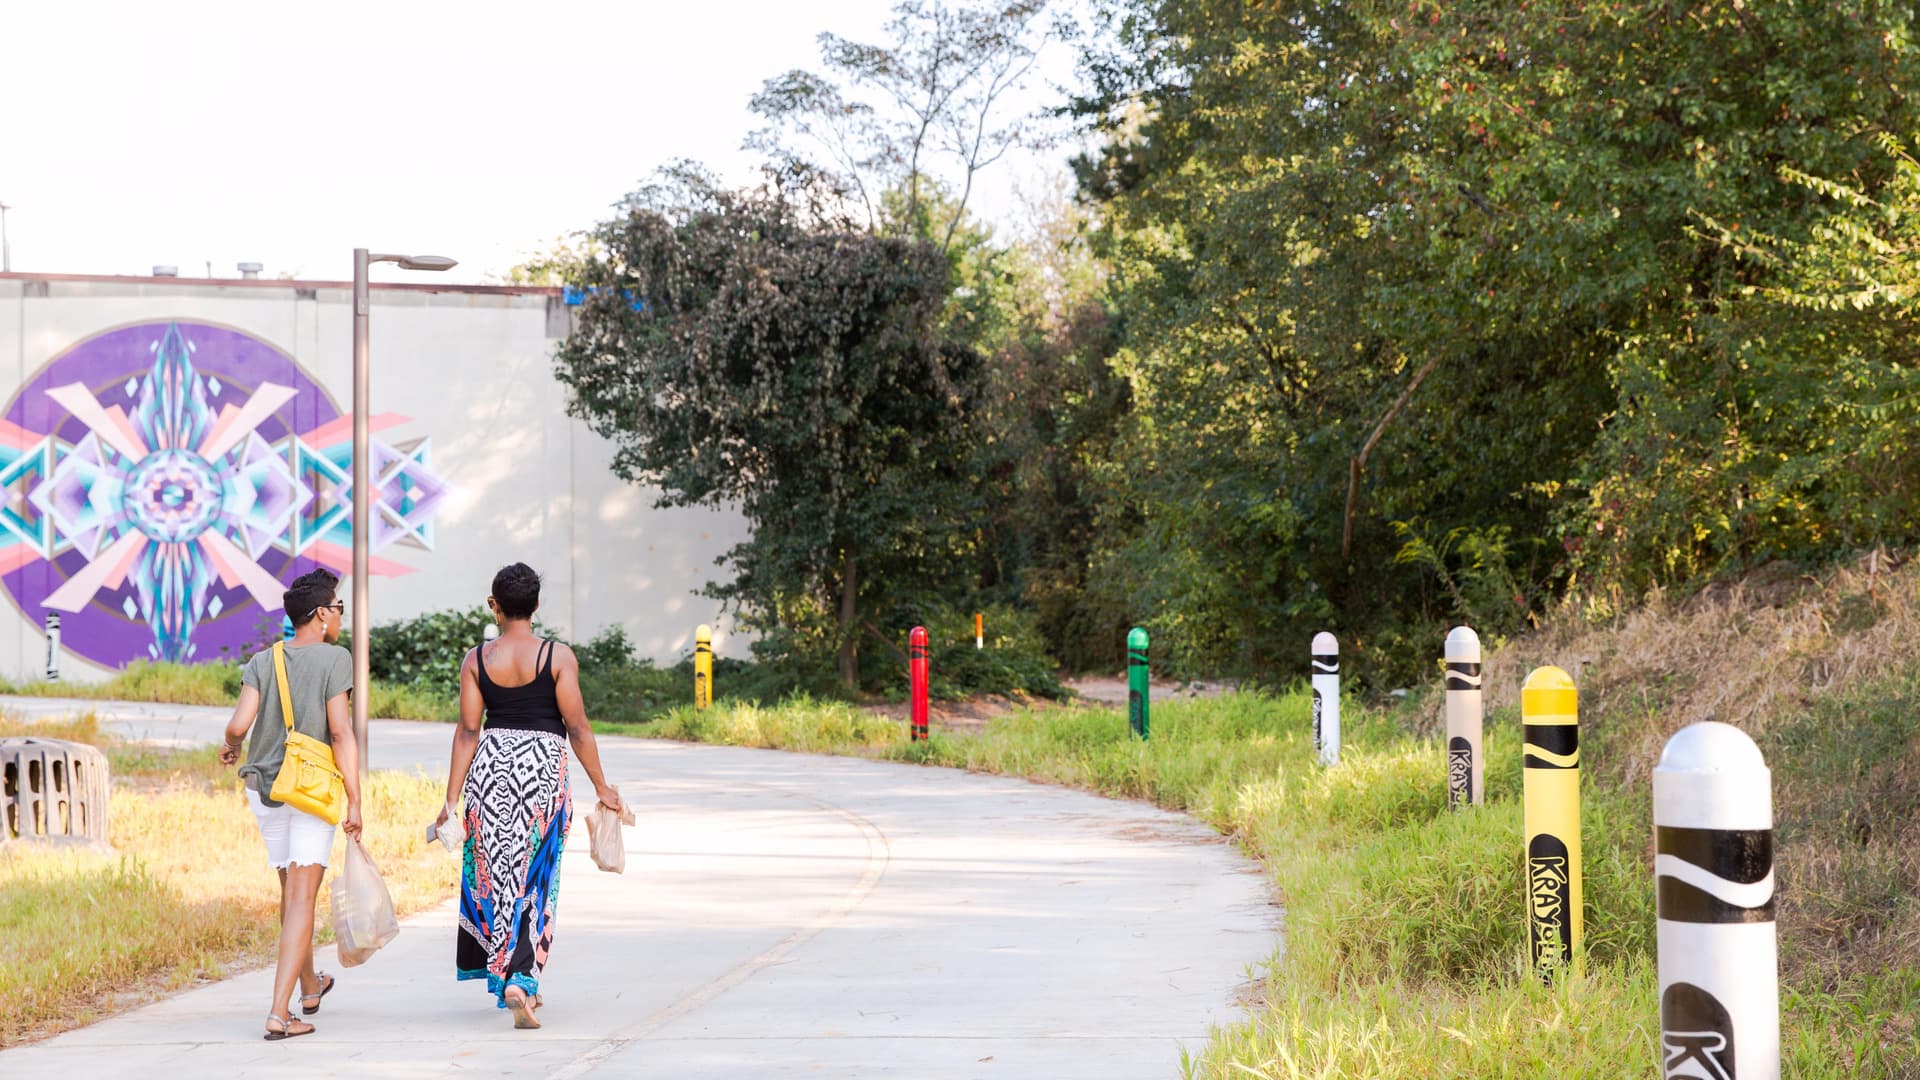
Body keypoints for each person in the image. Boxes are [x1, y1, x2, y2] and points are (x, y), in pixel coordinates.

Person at [436, 562, 623, 1029]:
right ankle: (523, 978)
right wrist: (603, 787)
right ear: (536, 606)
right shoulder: (558, 657)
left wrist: (450, 801)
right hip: (543, 772)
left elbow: (466, 732)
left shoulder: (476, 659)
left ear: (494, 606)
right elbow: (577, 728)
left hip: (491, 769)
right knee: (536, 878)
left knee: (499, 876)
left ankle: (508, 976)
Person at [219, 568, 362, 1041]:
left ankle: (308, 985)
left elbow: (239, 724)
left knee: (290, 893)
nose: (339, 615)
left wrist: (231, 746)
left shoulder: (265, 659)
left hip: (266, 788)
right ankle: (280, 1014)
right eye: (337, 608)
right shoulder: (335, 659)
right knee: (302, 896)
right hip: (312, 787)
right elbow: (340, 732)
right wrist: (355, 799)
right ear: (321, 614)